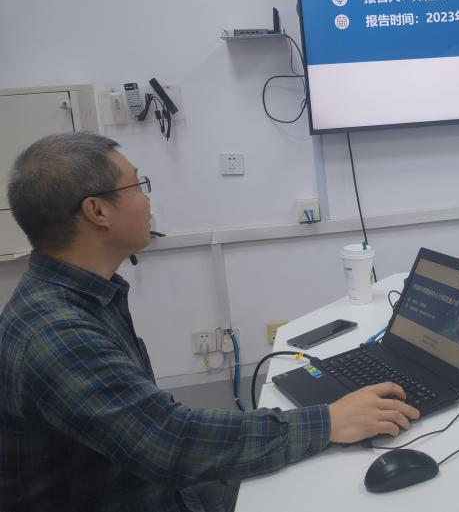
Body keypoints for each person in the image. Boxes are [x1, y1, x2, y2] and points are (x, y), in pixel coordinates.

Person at [0, 132, 419, 512]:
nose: (147, 200)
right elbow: (168, 442)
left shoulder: (84, 296)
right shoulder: (56, 332)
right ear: (97, 211)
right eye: (137, 185)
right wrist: (329, 422)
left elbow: (153, 425)